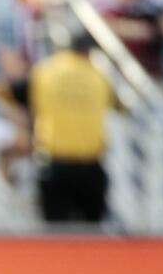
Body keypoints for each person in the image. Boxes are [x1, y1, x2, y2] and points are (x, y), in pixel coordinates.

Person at [29, 32, 114, 223]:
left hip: (54, 161)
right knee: (92, 234)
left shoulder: (44, 71)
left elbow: (18, 97)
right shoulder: (99, 75)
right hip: (90, 163)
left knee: (56, 233)